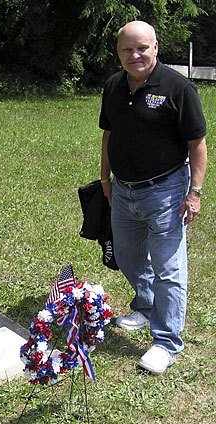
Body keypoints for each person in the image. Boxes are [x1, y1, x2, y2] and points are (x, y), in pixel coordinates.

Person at [99, 20, 207, 374]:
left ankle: (166, 342)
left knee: (168, 268)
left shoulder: (179, 88)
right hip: (124, 190)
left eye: (142, 47)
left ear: (156, 48)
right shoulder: (114, 86)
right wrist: (105, 179)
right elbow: (108, 135)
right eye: (127, 49)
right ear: (118, 53)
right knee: (129, 258)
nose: (135, 55)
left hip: (167, 191)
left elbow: (198, 145)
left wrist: (194, 193)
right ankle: (145, 307)